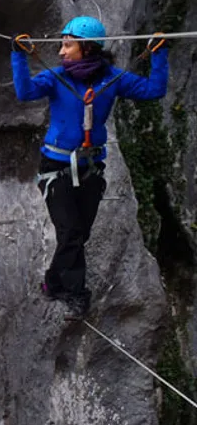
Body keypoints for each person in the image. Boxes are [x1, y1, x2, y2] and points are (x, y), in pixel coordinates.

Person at [11, 16, 168, 319]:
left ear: (87, 47)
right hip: (56, 166)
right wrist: (18, 54)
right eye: (61, 45)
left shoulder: (112, 79)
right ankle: (76, 294)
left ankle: (54, 282)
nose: (60, 51)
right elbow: (25, 92)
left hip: (90, 166)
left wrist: (159, 54)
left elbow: (153, 91)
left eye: (67, 45)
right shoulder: (57, 78)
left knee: (79, 233)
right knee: (70, 231)